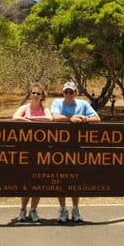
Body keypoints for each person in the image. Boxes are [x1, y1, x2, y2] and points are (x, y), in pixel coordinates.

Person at [50, 81, 101, 223]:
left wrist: (86, 119)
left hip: (77, 149)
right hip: (59, 148)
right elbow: (54, 117)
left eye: (71, 92)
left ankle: (76, 209)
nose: (68, 94)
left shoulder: (83, 104)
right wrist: (70, 119)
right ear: (63, 93)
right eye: (66, 92)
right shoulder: (57, 102)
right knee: (60, 180)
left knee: (75, 180)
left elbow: (97, 118)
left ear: (76, 92)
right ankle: (62, 209)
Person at [12, 82, 52, 222]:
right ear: (30, 94)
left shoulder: (43, 108)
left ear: (42, 96)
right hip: (26, 150)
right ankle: (22, 209)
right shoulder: (25, 107)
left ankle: (33, 210)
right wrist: (26, 118)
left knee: (38, 182)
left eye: (38, 93)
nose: (35, 95)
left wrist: (31, 119)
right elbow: (15, 117)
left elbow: (49, 119)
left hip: (41, 151)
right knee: (25, 181)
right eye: (33, 93)